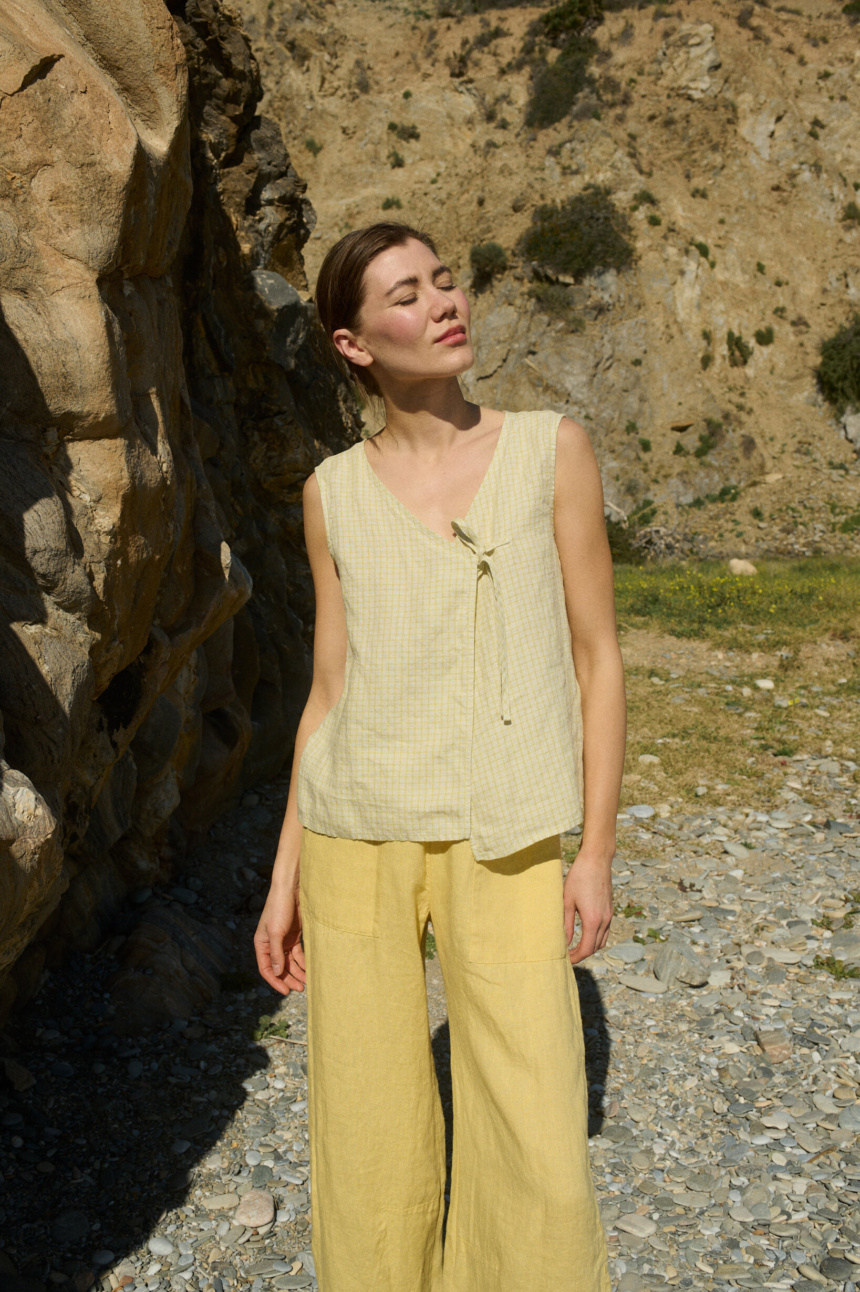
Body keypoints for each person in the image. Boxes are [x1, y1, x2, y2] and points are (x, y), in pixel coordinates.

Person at [254, 222, 626, 1292]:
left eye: (444, 281)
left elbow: (597, 658)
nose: (444, 303)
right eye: (406, 295)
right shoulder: (330, 491)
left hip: (505, 829)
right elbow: (328, 692)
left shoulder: (547, 448)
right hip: (353, 830)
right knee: (369, 1132)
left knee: (536, 1130)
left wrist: (592, 850)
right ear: (353, 342)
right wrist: (284, 878)